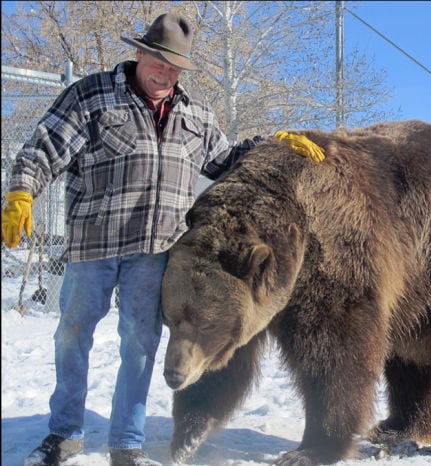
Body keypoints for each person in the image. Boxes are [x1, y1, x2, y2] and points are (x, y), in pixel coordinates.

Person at [2, 13, 268, 466]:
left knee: (141, 341)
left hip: (155, 251)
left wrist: (274, 145)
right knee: (73, 334)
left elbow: (226, 161)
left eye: (175, 69)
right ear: (139, 54)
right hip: (94, 246)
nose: (165, 75)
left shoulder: (196, 115)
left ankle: (127, 442)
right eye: (158, 63)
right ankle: (63, 432)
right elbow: (42, 148)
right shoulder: (91, 95)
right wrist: (22, 190)